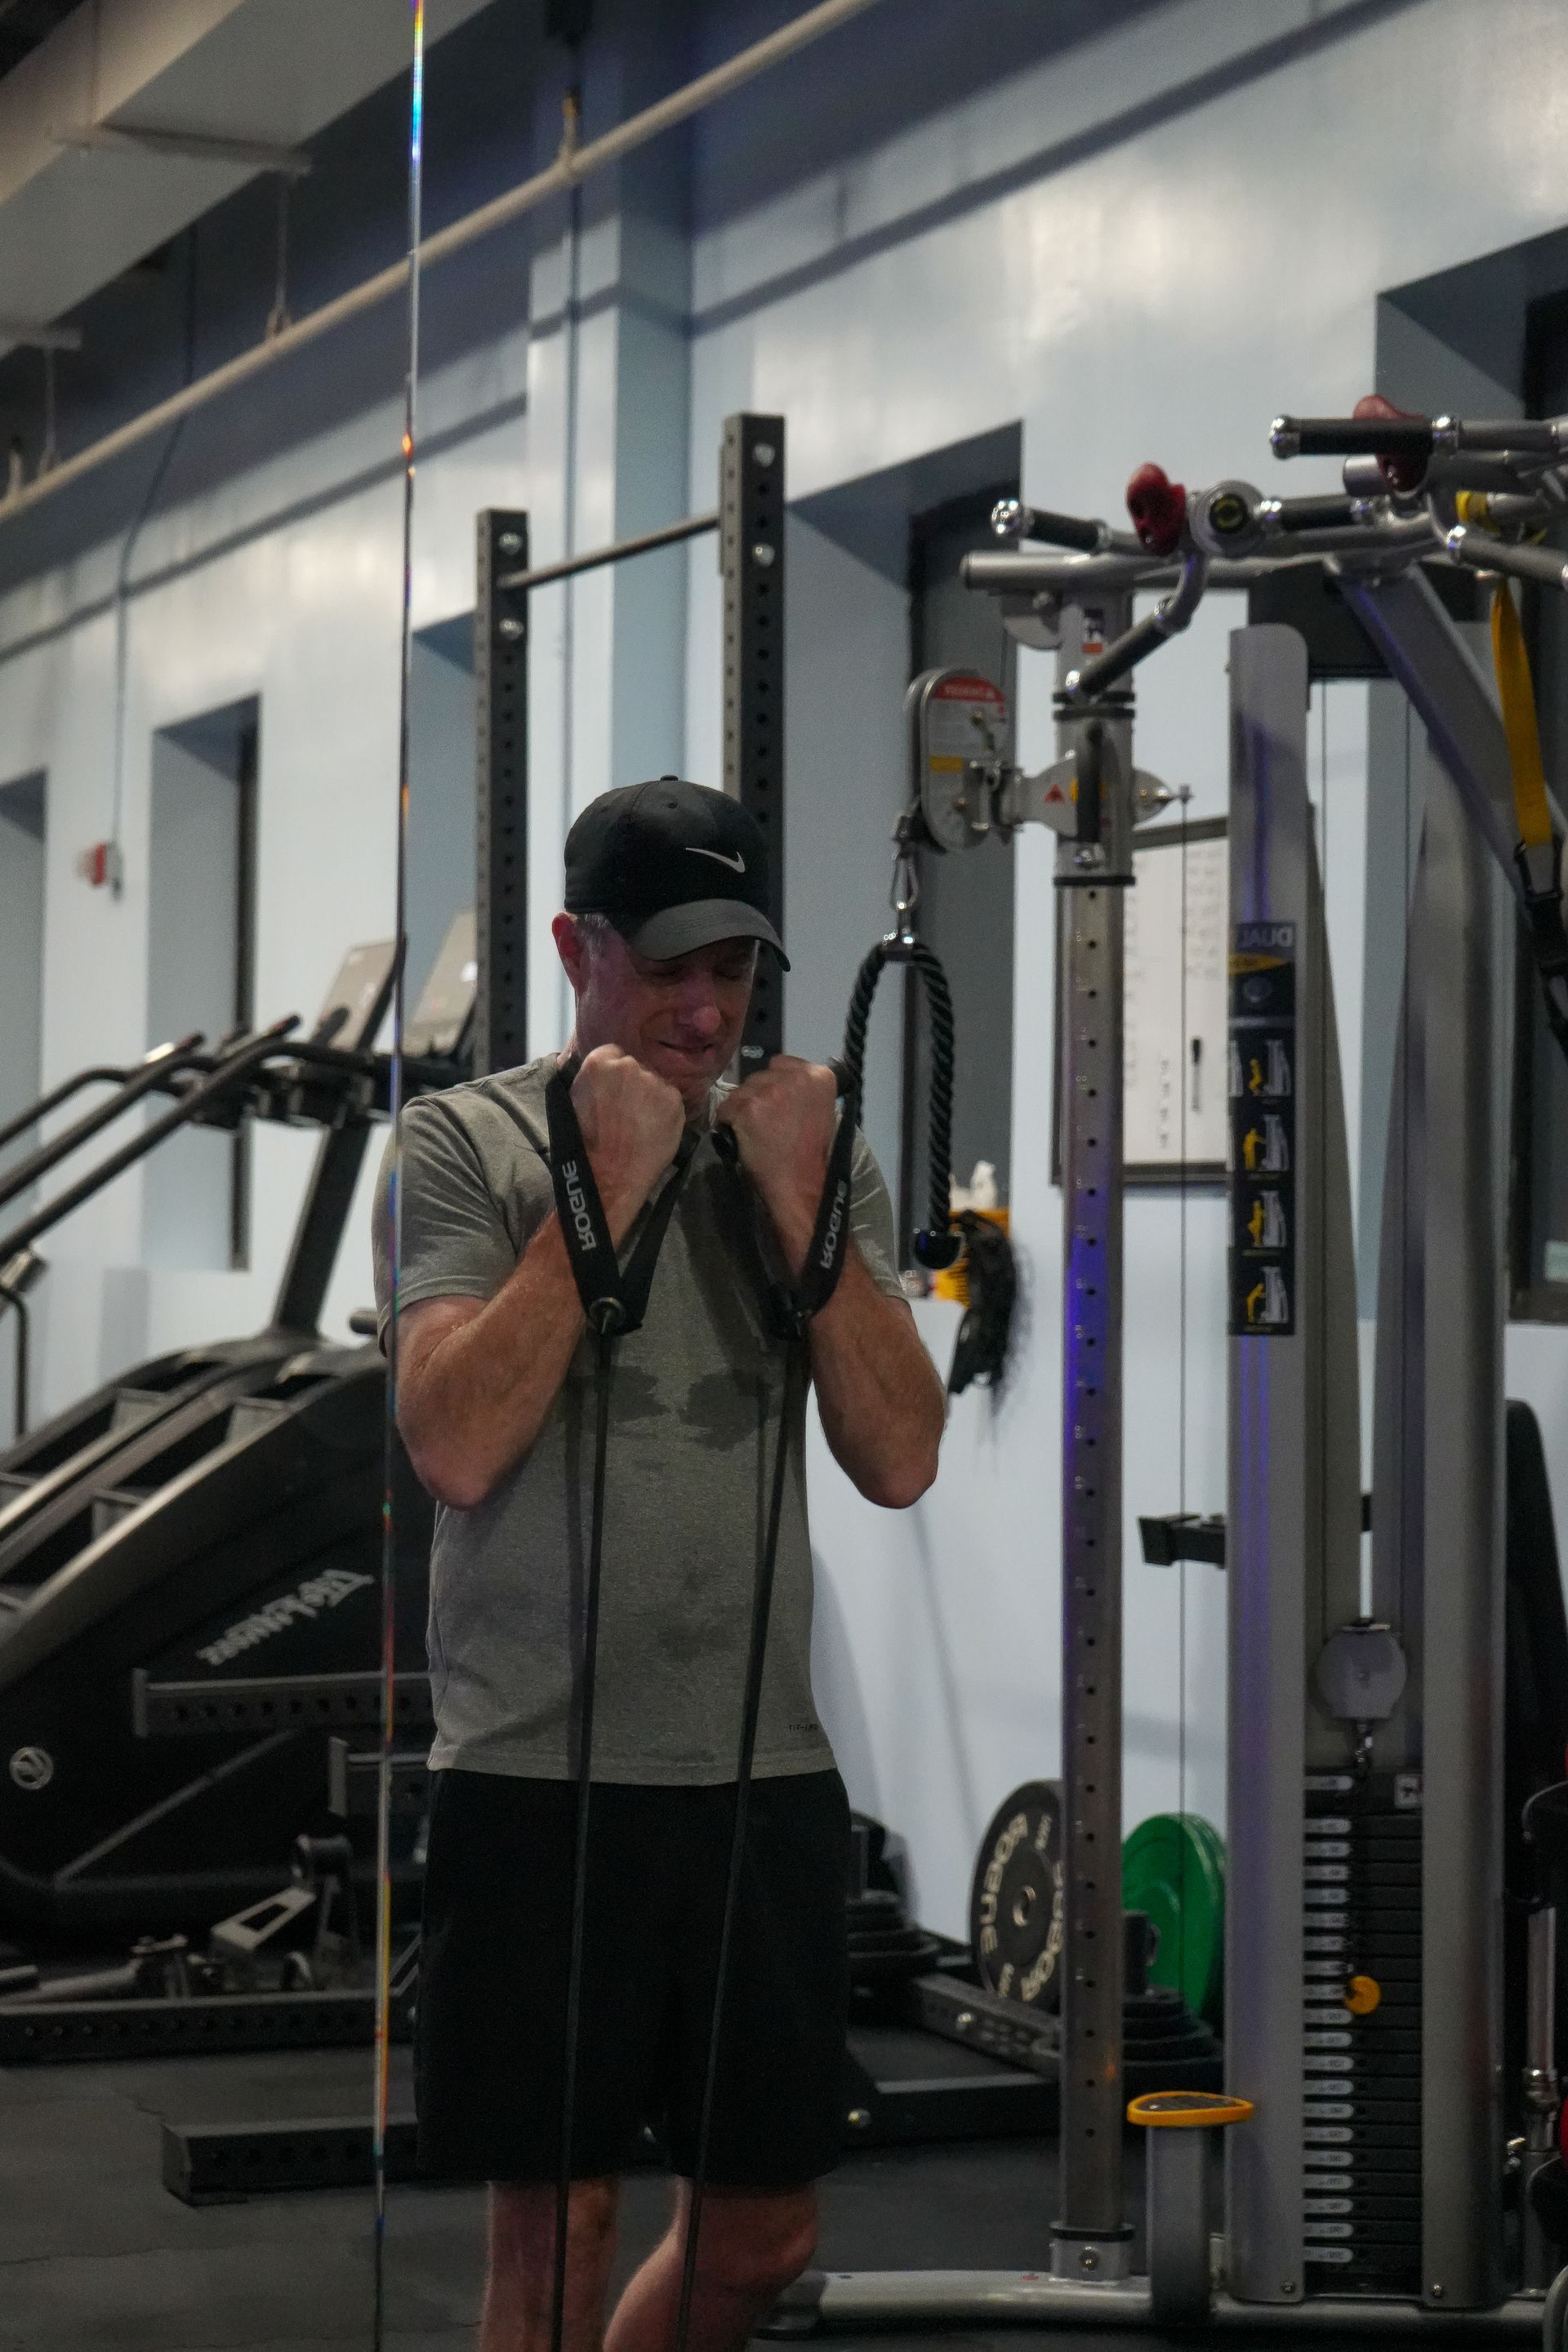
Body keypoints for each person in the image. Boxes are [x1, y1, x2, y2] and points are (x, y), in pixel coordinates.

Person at [374, 775, 946, 2352]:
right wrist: (606, 1188)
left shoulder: (809, 1155)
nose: (706, 1010)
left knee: (762, 2234)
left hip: (760, 1777)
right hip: (538, 1778)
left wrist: (805, 1202)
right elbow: (455, 1443)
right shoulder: (461, 1142)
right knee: (555, 2234)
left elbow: (899, 1456)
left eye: (736, 972)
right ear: (577, 945)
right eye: (669, 967)